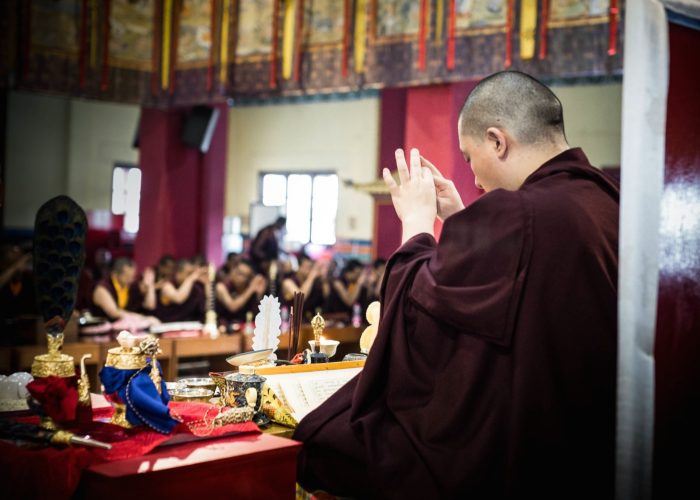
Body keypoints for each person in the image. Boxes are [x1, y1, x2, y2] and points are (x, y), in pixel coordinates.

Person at [293, 71, 620, 499]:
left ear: (497, 141)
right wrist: (462, 219)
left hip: (520, 445)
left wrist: (414, 221)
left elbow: (418, 313)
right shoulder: (604, 199)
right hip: (590, 438)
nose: (475, 177)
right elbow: (513, 277)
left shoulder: (519, 212)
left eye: (469, 157)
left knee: (319, 438)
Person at [91, 257, 158, 321]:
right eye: (127, 277)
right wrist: (143, 319)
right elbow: (114, 312)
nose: (131, 280)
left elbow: (150, 306)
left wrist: (150, 285)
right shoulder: (102, 288)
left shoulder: (131, 285)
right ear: (115, 274)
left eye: (132, 276)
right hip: (101, 327)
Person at [215, 259, 267, 325]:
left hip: (244, 327)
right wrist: (251, 289)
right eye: (239, 273)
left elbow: (257, 315)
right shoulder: (221, 286)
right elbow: (232, 307)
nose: (240, 278)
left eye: (245, 276)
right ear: (232, 270)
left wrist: (259, 295)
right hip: (224, 327)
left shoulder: (248, 287)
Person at [155, 259, 208, 323]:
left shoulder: (195, 288)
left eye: (192, 274)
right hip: (169, 324)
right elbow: (178, 298)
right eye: (188, 273)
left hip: (191, 325)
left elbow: (205, 307)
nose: (192, 276)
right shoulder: (167, 286)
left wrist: (207, 284)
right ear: (178, 273)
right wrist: (191, 278)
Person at [281, 255, 329, 322]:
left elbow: (326, 295)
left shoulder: (313, 282)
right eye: (307, 267)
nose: (310, 270)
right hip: (291, 324)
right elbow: (300, 298)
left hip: (310, 321)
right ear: (299, 267)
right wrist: (311, 277)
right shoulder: (288, 282)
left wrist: (323, 278)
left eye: (311, 267)